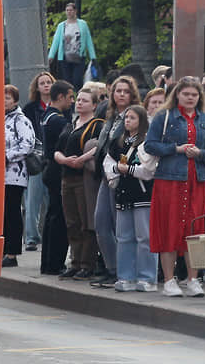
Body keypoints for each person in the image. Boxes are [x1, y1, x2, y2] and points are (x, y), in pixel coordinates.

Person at [145, 77, 205, 298]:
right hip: (169, 180)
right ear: (177, 94)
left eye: (194, 95)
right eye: (186, 94)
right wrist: (176, 149)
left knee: (194, 230)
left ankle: (193, 279)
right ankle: (169, 280)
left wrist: (200, 153)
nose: (190, 98)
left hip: (196, 181)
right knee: (169, 228)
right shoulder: (164, 116)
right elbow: (150, 144)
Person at [92, 76, 141, 287]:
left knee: (119, 227)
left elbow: (131, 145)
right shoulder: (111, 116)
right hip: (105, 175)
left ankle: (122, 270)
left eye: (125, 91)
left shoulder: (134, 115)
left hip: (121, 176)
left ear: (132, 95)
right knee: (100, 223)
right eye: (118, 90)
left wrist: (117, 170)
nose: (121, 94)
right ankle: (112, 267)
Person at [103, 105, 158, 293]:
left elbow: (149, 169)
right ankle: (126, 276)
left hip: (142, 194)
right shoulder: (119, 142)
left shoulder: (147, 142)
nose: (128, 121)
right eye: (126, 118)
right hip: (123, 194)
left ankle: (147, 277)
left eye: (132, 118)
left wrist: (130, 170)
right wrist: (115, 174)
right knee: (124, 237)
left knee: (145, 237)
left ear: (141, 121)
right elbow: (108, 161)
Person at [54, 86, 105, 280]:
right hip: (67, 176)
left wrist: (82, 159)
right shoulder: (71, 123)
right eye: (78, 100)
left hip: (84, 179)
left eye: (84, 100)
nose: (79, 103)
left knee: (86, 222)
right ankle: (74, 262)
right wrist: (64, 160)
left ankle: (87, 264)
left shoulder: (96, 124)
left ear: (94, 105)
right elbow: (57, 149)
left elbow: (100, 144)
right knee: (72, 222)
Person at [40, 80, 75, 275]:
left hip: (49, 168)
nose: (72, 101)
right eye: (70, 97)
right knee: (59, 219)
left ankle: (48, 262)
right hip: (56, 169)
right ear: (60, 97)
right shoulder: (58, 120)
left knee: (51, 217)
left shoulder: (47, 116)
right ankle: (54, 263)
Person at [3, 85, 36, 268]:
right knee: (1, 214)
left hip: (14, 175)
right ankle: (2, 249)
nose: (4, 102)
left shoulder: (20, 120)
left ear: (15, 101)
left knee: (12, 212)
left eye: (7, 98)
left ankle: (12, 252)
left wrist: (7, 156)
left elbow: (28, 144)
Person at [23, 71, 55, 252]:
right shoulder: (30, 108)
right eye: (42, 83)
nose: (45, 85)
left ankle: (50, 235)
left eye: (48, 82)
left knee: (52, 199)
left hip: (53, 158)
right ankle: (31, 238)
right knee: (32, 200)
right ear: (37, 87)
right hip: (35, 158)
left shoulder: (58, 106)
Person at [47, 3, 97, 89]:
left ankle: (78, 95)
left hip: (78, 56)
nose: (69, 12)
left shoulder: (82, 24)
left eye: (71, 10)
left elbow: (88, 40)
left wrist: (93, 56)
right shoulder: (61, 26)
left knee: (77, 79)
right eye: (67, 10)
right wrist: (51, 56)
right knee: (67, 81)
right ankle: (69, 98)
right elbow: (56, 41)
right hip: (65, 57)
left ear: (75, 11)